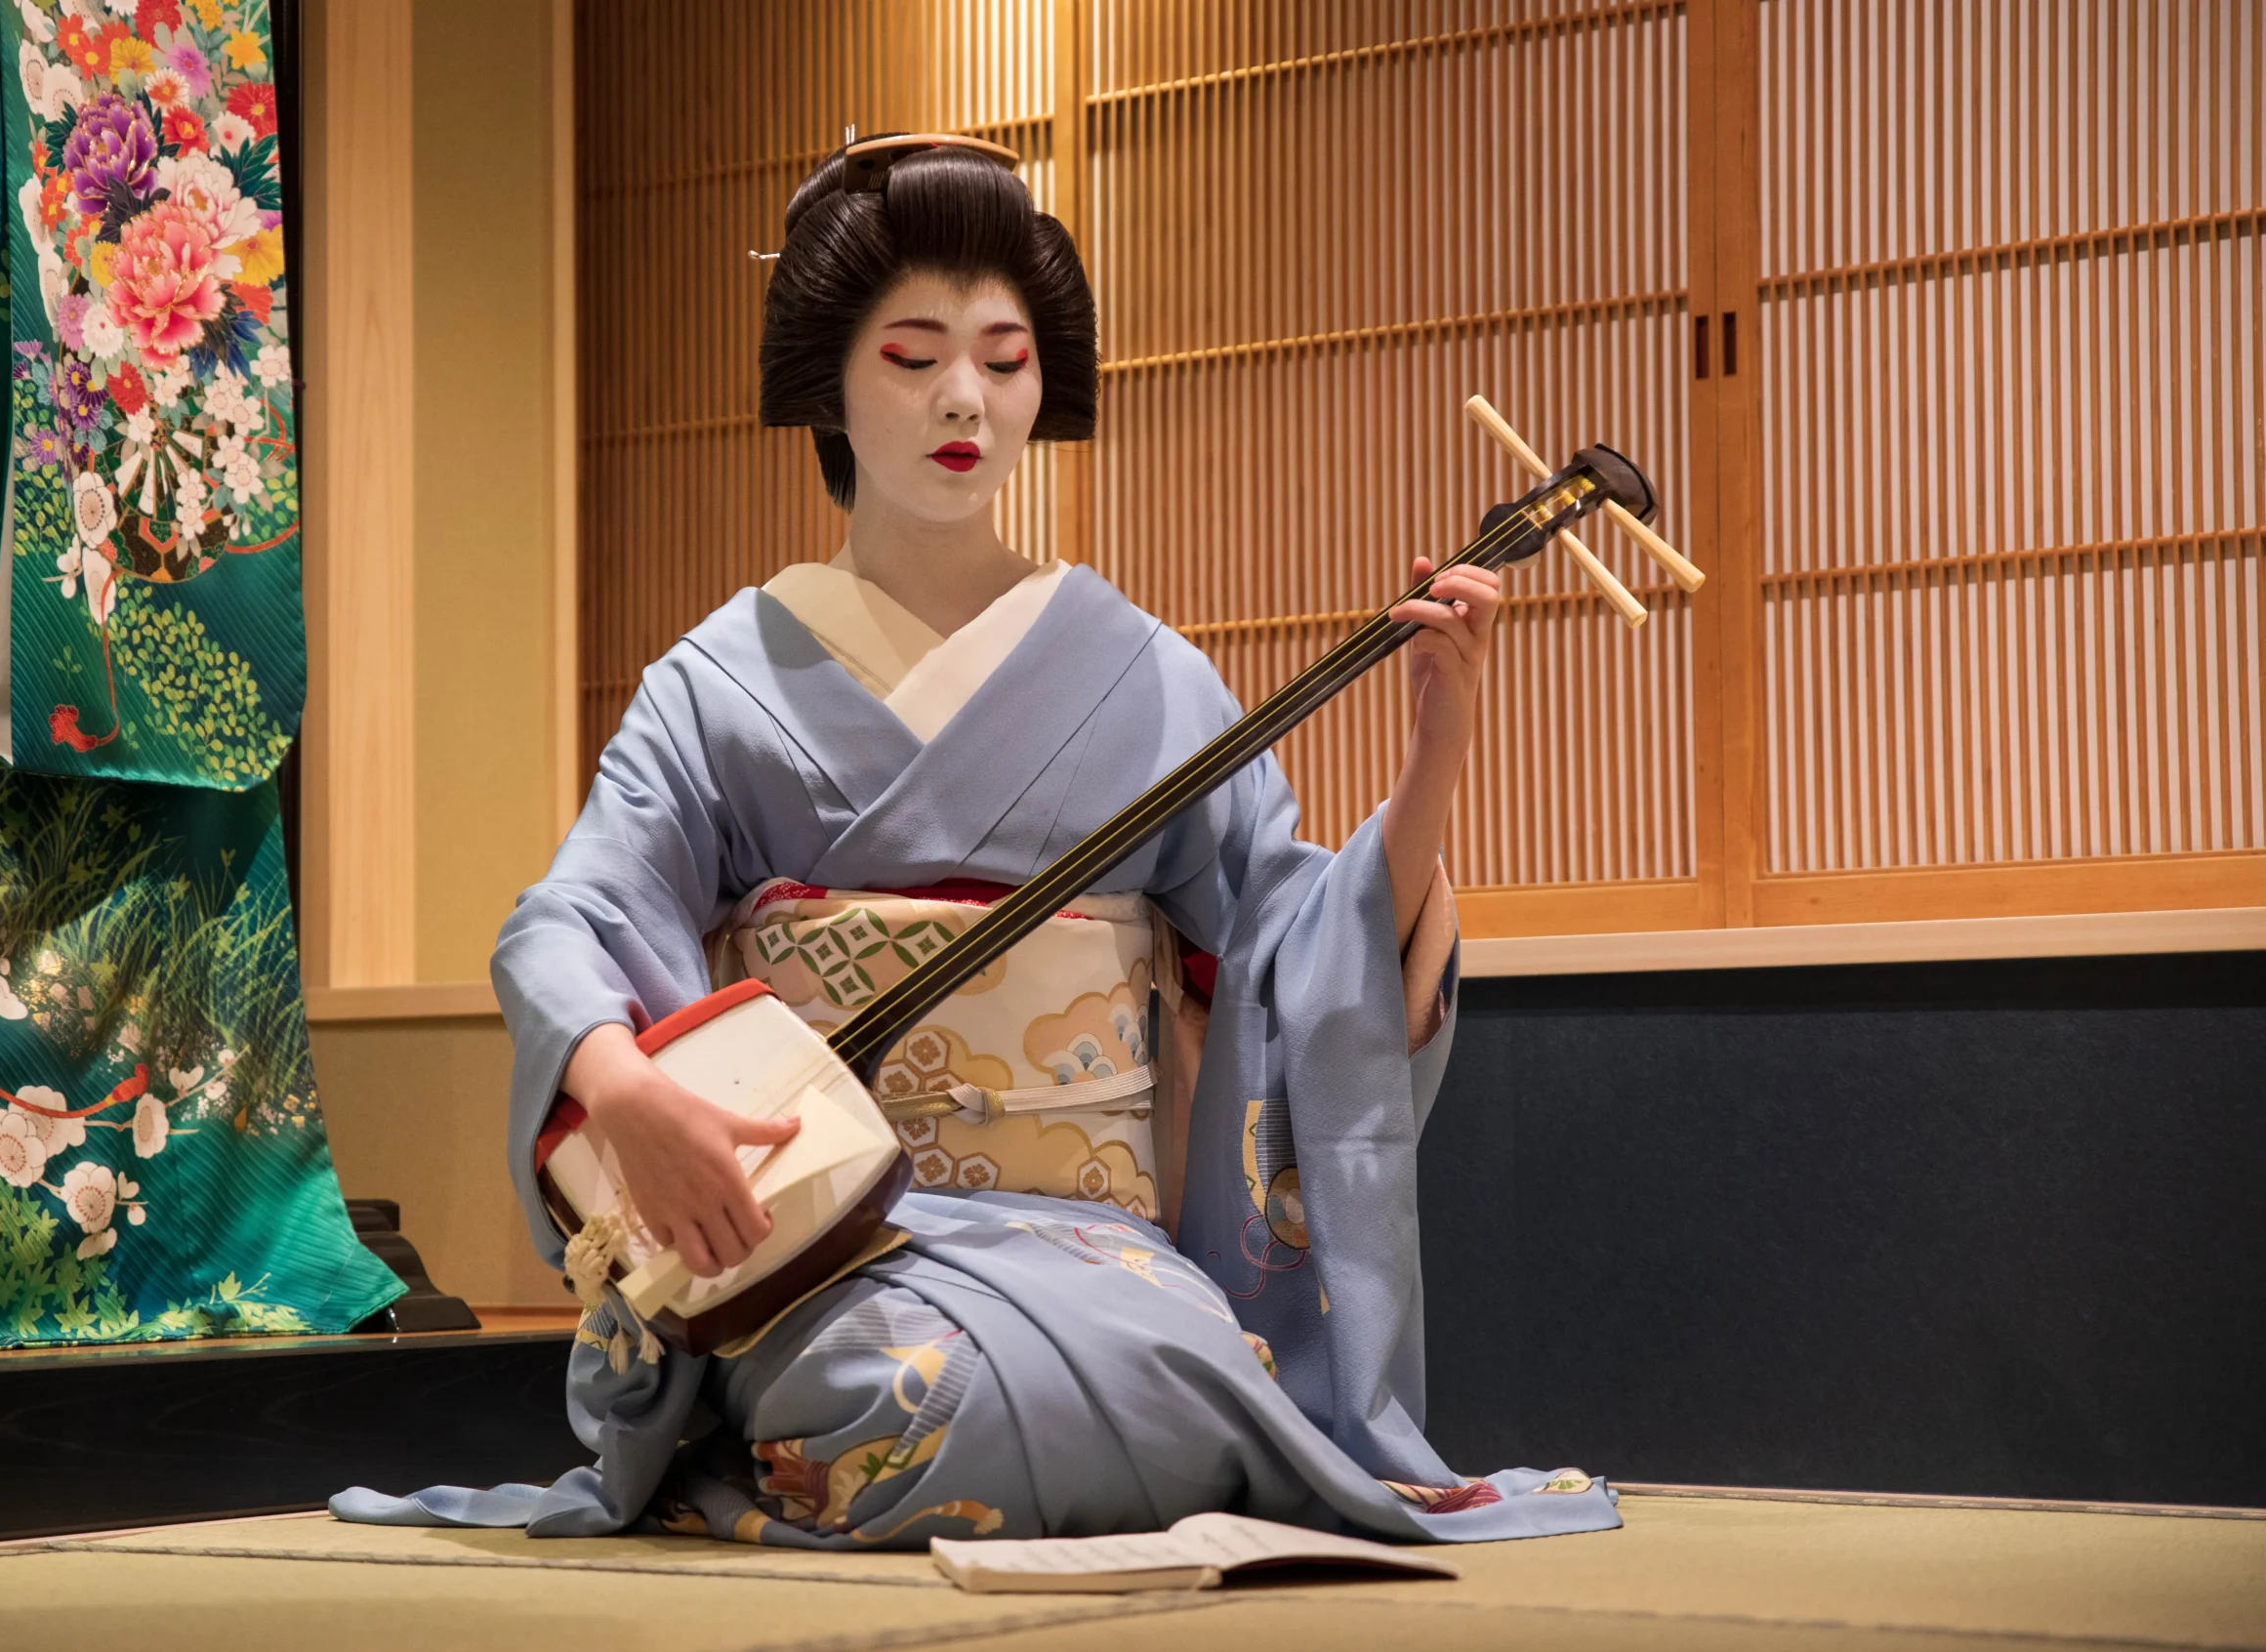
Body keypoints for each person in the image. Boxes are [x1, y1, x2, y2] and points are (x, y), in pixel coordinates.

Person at [333, 137, 1617, 1548]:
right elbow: (565, 920)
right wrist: (624, 1088)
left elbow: (1305, 943)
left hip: (1093, 1241)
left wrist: (1435, 752)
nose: (967, 399)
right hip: (832, 1242)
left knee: (1197, 1392)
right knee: (911, 1401)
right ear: (832, 378)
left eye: (1005, 360)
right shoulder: (717, 683)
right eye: (916, 354)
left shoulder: (1144, 674)